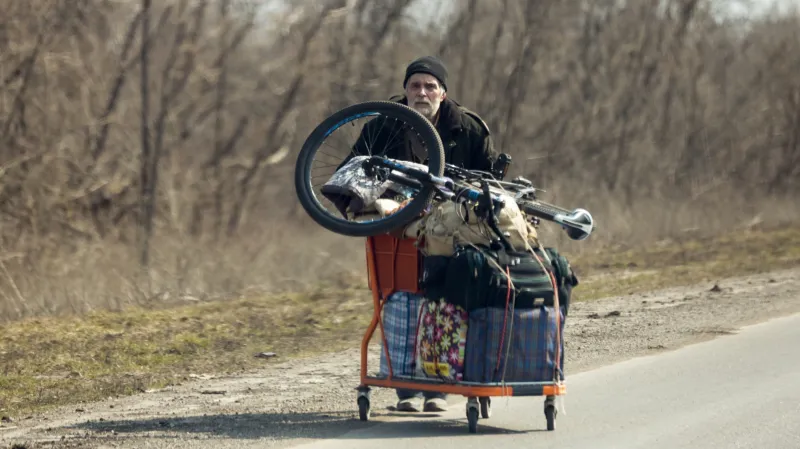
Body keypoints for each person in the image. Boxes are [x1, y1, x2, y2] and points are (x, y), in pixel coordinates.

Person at [362, 56, 498, 413]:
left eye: (429, 86)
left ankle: (438, 385)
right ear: (405, 91)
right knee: (398, 298)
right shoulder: (383, 124)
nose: (422, 92)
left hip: (453, 226)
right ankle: (403, 385)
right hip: (397, 227)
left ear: (443, 93)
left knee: (445, 298)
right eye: (414, 86)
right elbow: (354, 169)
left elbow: (490, 182)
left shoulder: (467, 128)